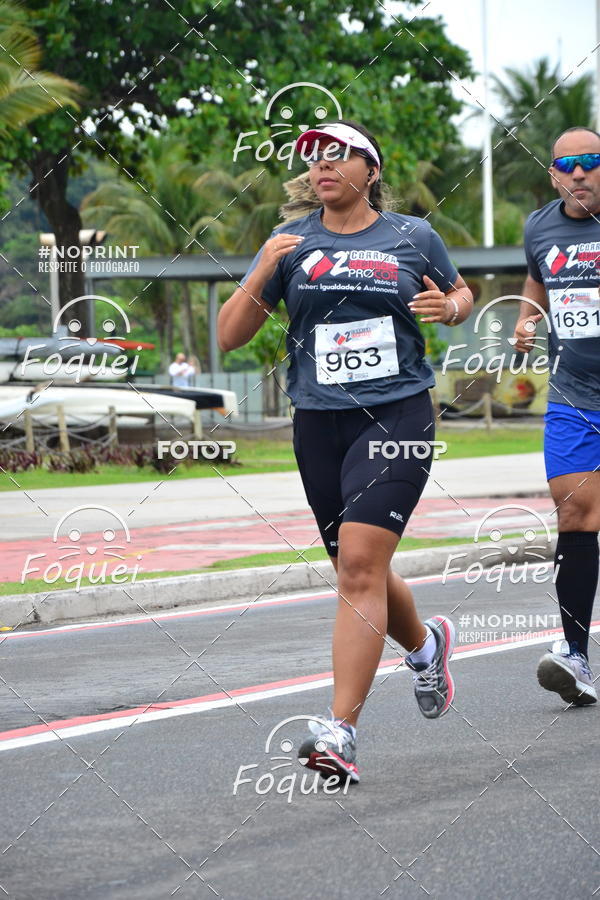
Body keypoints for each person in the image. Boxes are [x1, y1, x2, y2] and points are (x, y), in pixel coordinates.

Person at [218, 120, 473, 783]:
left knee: (360, 564)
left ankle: (341, 734)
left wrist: (448, 306)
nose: (322, 165)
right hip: (319, 424)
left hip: (397, 415)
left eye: (339, 154)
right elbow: (229, 337)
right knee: (359, 569)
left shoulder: (413, 236)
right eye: (313, 156)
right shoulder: (291, 243)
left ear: (371, 169)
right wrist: (266, 268)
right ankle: (426, 646)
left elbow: (462, 293)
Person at [513, 126, 600, 706]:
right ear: (552, 173)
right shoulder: (539, 227)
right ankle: (575, 654)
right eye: (567, 164)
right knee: (575, 512)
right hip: (572, 395)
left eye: (590, 162)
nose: (578, 173)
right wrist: (525, 321)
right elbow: (536, 281)